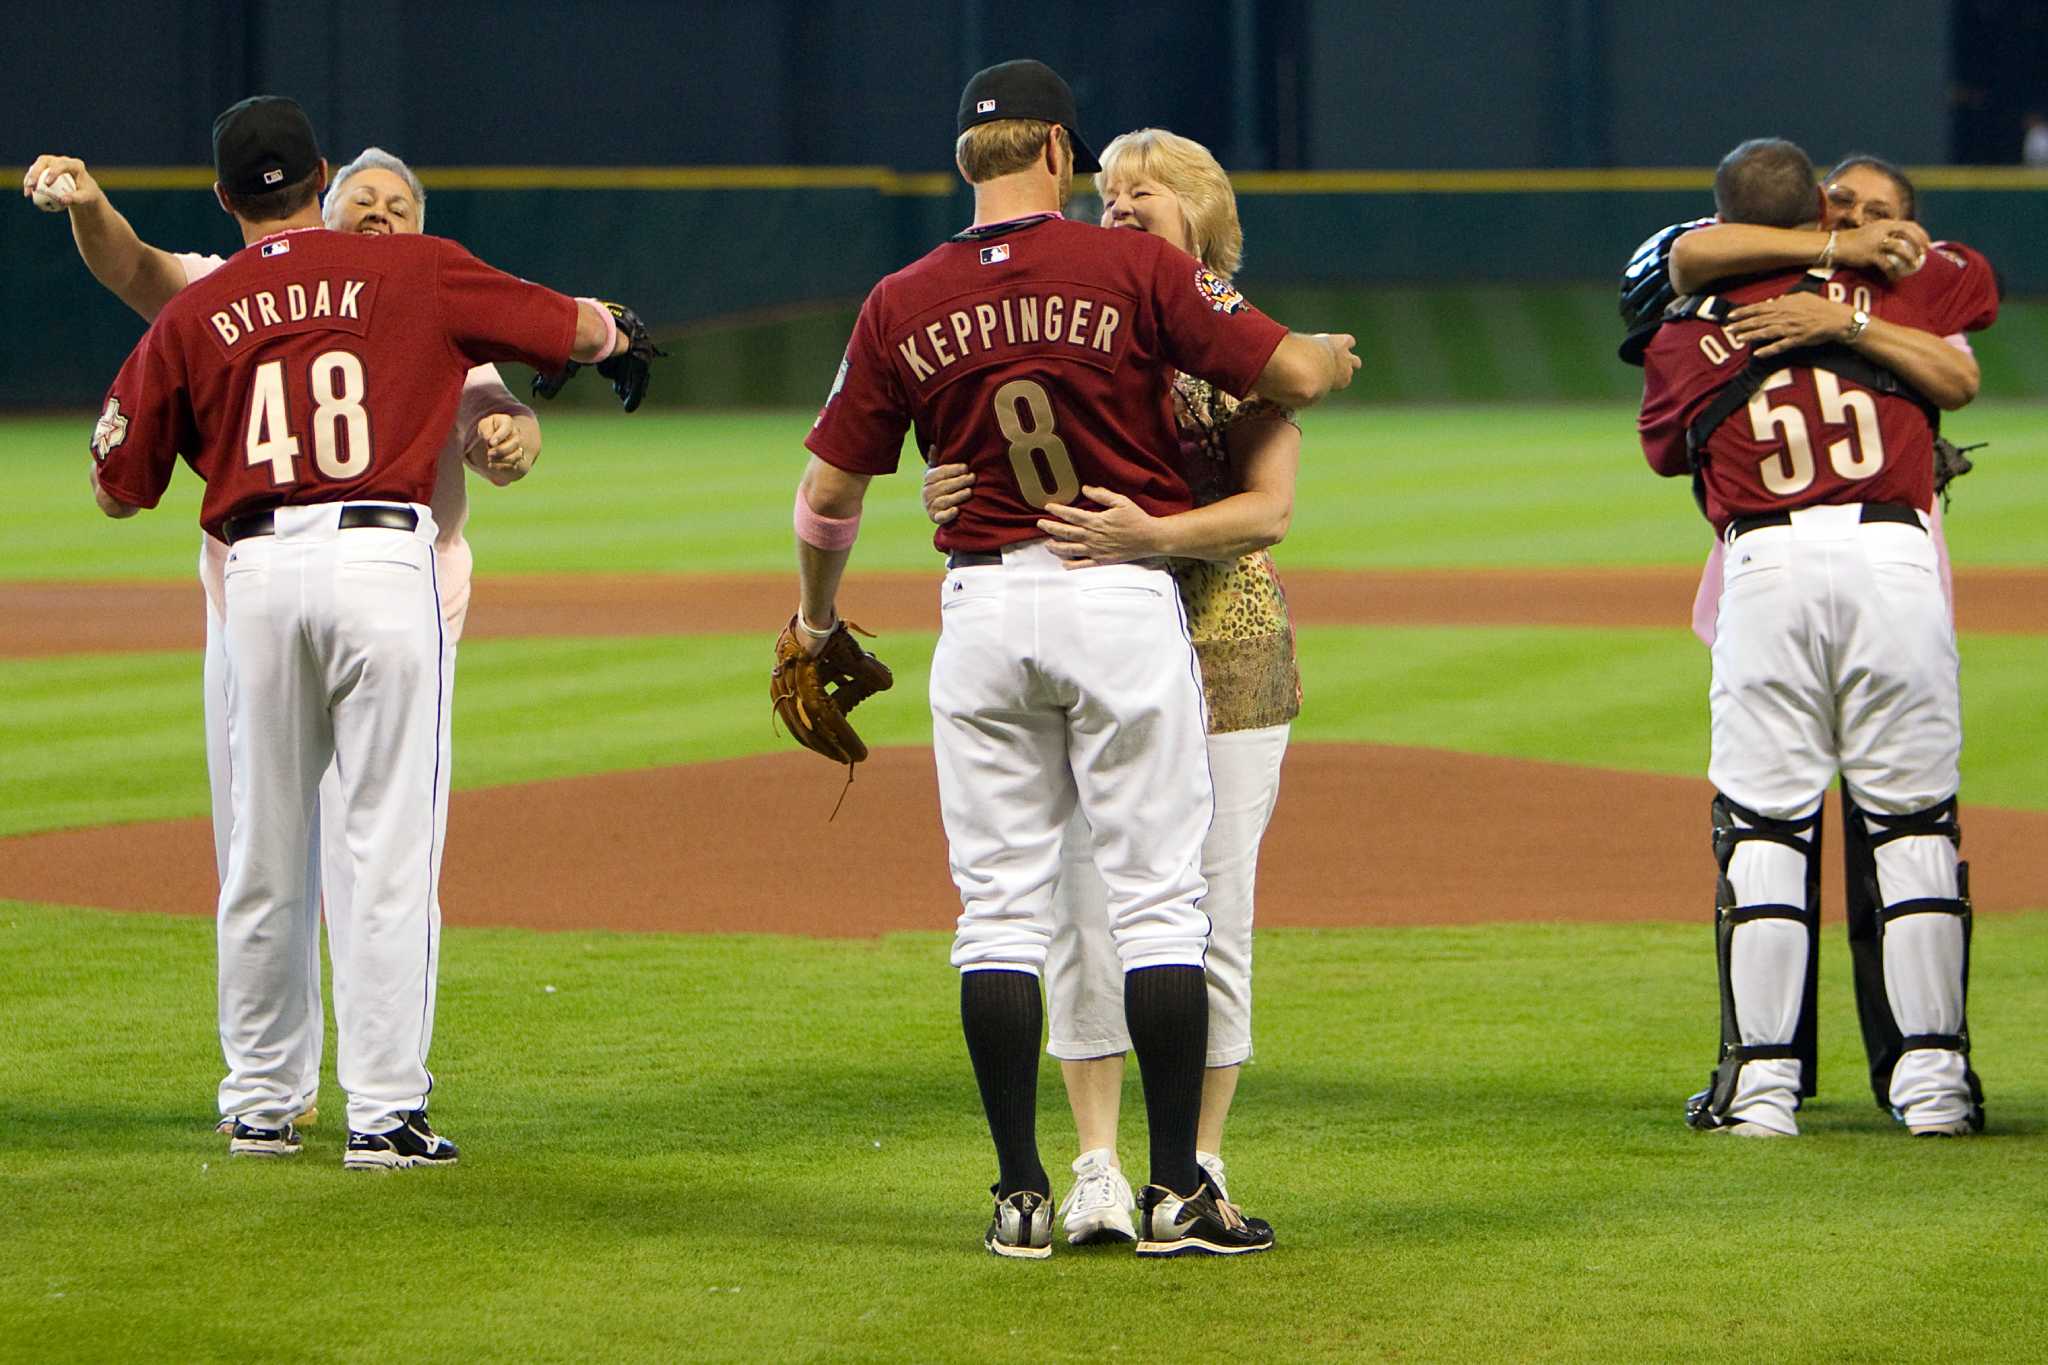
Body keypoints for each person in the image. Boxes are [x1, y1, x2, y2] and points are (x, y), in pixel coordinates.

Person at [790, 60, 1356, 1257]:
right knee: (1160, 903)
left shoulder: (899, 296)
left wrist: (816, 620)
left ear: (962, 161)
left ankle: (1017, 1195)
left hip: (980, 609)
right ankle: (1172, 1192)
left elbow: (826, 494)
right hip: (1115, 598)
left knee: (998, 913)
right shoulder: (1134, 272)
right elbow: (1294, 375)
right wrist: (1329, 360)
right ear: (1055, 147)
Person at [87, 95, 653, 1167]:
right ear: (324, 176)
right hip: (380, 561)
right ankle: (386, 1112)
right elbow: (569, 325)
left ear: (223, 198)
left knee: (261, 844)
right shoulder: (411, 269)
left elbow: (120, 491)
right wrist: (618, 331)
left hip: (250, 572)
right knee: (386, 845)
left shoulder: (201, 308)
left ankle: (259, 1100)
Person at [25, 145, 541, 1136]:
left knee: (354, 854)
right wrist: (93, 204)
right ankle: (301, 1097)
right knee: (284, 849)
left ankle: (321, 1098)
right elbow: (137, 270)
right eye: (363, 200)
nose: (382, 214)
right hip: (283, 604)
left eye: (399, 204)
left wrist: (511, 431)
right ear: (319, 205)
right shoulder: (236, 286)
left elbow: (497, 418)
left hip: (369, 603)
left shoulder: (429, 300)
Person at [921, 126, 1300, 1245]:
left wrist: (1156, 532)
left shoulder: (1241, 342)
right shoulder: (1079, 316)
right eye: (1111, 192)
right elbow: (990, 471)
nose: (1123, 207)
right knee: (1084, 916)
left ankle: (1197, 1163)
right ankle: (1093, 1165)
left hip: (1221, 639)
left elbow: (1269, 510)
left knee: (1204, 913)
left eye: (1149, 193)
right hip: (1094, 638)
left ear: (1203, 214)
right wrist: (948, 488)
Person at [1636, 137, 1998, 1139]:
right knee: (1913, 824)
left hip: (1764, 567)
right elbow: (1970, 300)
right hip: (1893, 560)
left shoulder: (1684, 325)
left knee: (1762, 828)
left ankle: (1758, 1091)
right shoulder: (1904, 282)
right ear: (1815, 214)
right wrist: (1862, 288)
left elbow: (1666, 446)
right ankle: (1932, 1089)